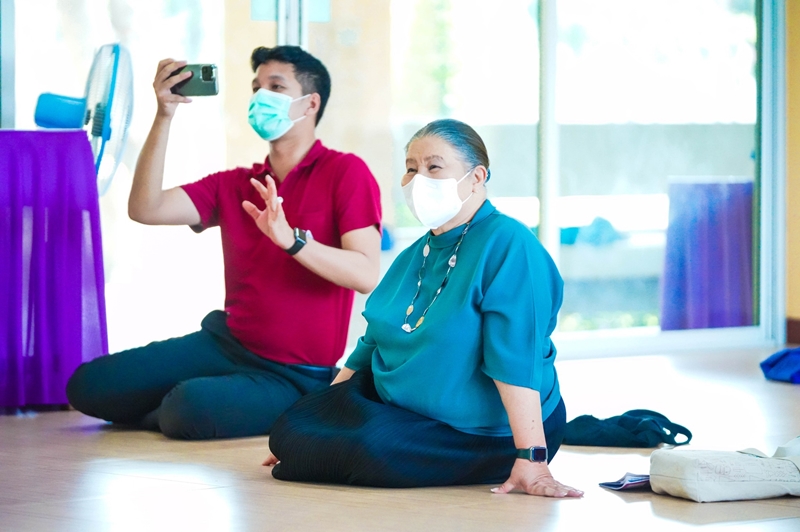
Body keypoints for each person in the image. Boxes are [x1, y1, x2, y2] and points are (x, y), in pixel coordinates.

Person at [66, 46, 382, 440]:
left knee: (188, 408)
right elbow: (146, 208)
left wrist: (293, 242)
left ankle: (182, 405)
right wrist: (164, 116)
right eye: (256, 87)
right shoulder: (235, 183)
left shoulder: (346, 171)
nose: (260, 96)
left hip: (296, 375)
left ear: (310, 103)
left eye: (275, 87)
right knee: (88, 386)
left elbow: (366, 274)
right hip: (224, 343)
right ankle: (180, 404)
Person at [263, 119, 582, 498]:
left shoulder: (510, 245)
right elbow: (369, 346)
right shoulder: (416, 253)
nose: (418, 180)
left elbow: (517, 360)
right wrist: (317, 415)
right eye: (411, 168)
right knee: (291, 427)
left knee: (371, 448)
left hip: (483, 431)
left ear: (476, 177)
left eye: (434, 167)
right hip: (405, 410)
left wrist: (531, 457)